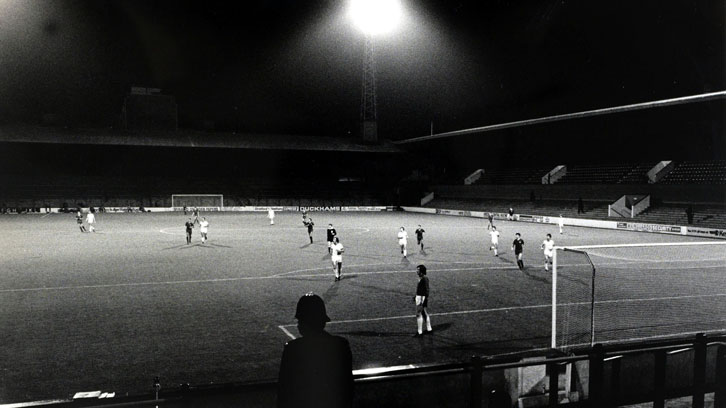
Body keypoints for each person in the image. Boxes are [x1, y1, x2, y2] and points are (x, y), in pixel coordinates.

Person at [277, 293, 353, 408]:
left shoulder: (293, 349)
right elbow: (347, 388)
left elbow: (285, 390)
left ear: (303, 323)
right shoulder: (341, 345)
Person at [414, 264, 433, 337]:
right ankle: (429, 329)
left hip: (422, 298)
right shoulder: (420, 278)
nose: (416, 271)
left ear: (421, 271)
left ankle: (420, 332)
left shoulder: (424, 278)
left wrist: (424, 300)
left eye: (418, 270)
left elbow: (427, 289)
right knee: (424, 313)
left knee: (418, 314)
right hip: (420, 297)